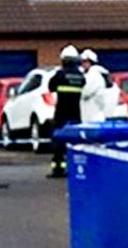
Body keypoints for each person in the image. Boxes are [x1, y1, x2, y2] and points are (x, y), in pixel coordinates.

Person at [48, 45, 86, 178]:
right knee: (76, 142)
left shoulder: (60, 74)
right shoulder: (80, 76)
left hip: (61, 113)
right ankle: (76, 168)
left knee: (58, 141)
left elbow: (51, 87)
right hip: (76, 113)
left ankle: (58, 169)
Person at [80, 49, 108, 122]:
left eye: (85, 61)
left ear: (91, 62)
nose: (83, 64)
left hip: (94, 116)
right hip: (89, 114)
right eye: (82, 61)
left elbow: (85, 93)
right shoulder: (88, 75)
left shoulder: (94, 76)